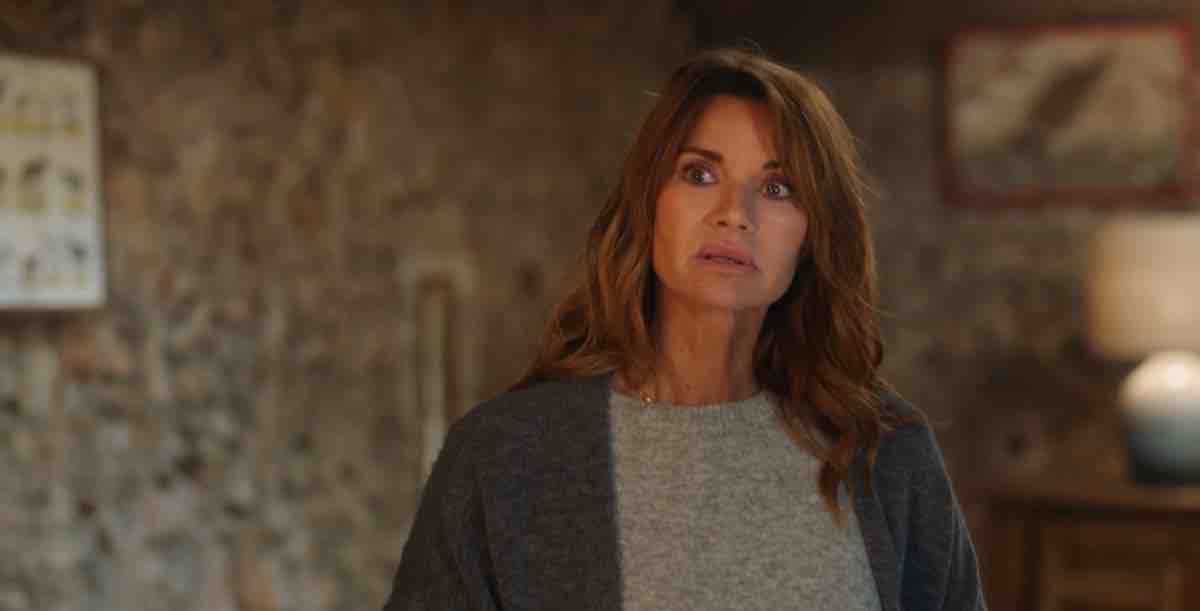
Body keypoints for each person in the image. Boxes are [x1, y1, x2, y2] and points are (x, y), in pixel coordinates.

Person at [383, 46, 986, 611]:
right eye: (699, 175)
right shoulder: (504, 457)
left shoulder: (885, 452)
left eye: (777, 188)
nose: (734, 214)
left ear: (811, 237)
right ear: (649, 204)